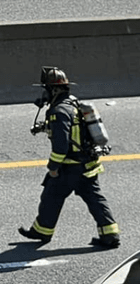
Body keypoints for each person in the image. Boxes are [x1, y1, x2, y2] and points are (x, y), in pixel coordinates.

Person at [18, 67, 120, 249]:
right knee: (95, 199)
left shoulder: (58, 111)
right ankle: (110, 235)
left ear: (54, 90)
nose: (44, 93)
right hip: (88, 163)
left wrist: (53, 167)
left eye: (46, 89)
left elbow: (61, 146)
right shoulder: (73, 103)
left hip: (71, 167)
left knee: (51, 195)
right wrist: (44, 127)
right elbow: (74, 130)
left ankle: (43, 231)